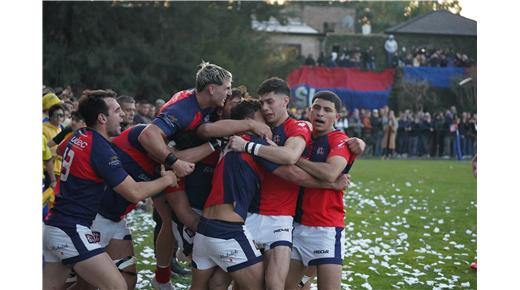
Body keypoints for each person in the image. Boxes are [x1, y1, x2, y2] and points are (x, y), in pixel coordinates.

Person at [136, 62, 272, 289]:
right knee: (172, 218)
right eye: (228, 92)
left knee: (216, 282)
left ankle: (166, 273)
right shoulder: (187, 110)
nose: (229, 96)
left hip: (206, 209)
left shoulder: (215, 119)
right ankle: (162, 277)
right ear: (212, 90)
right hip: (167, 170)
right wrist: (173, 161)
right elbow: (155, 139)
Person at [42, 89, 178, 290]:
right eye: (117, 111)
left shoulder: (80, 134)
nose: (122, 114)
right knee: (118, 286)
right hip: (71, 229)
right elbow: (134, 193)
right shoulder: (100, 149)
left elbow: (61, 149)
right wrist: (167, 179)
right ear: (102, 118)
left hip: (55, 225)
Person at [285, 91, 356, 290]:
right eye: (316, 108)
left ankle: (308, 278)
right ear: (309, 111)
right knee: (290, 287)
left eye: (327, 110)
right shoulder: (302, 137)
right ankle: (306, 279)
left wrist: (293, 158)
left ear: (337, 117)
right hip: (296, 225)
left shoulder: (339, 140)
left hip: (325, 227)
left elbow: (331, 172)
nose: (320, 114)